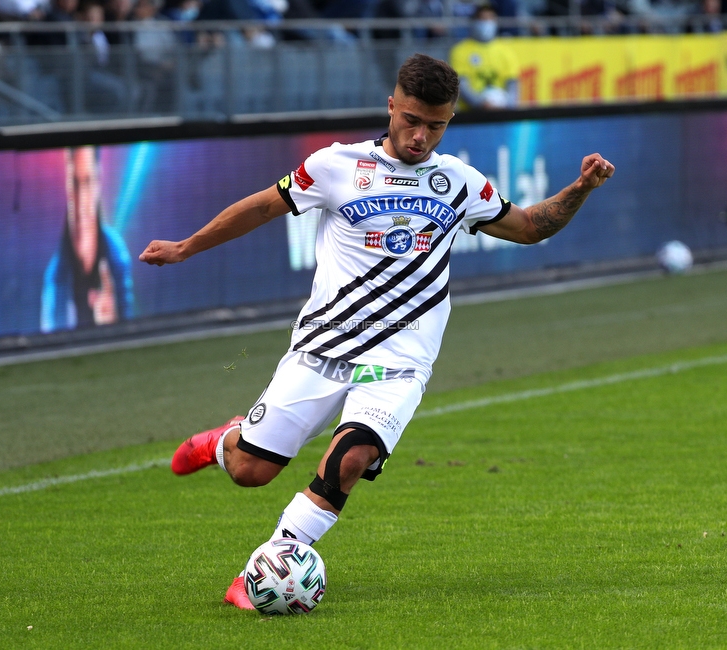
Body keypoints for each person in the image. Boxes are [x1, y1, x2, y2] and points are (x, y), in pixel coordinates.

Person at [139, 53, 614, 610]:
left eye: (435, 125)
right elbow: (264, 207)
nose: (420, 135)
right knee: (251, 471)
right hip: (322, 352)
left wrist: (581, 187)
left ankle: (265, 568)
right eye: (411, 119)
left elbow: (531, 228)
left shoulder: (458, 182)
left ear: (450, 119)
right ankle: (226, 441)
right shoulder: (335, 166)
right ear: (391, 107)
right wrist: (187, 247)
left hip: (398, 365)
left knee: (350, 457)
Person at [42, 146, 135, 332]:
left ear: (98, 184)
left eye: (87, 183)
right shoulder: (56, 275)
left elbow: (129, 326)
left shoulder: (116, 253)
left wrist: (110, 319)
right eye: (75, 185)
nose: (82, 202)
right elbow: (53, 339)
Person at [449, 5, 519, 110]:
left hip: (501, 111)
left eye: (491, 19)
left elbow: (512, 84)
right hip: (471, 114)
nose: (487, 23)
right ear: (475, 22)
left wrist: (507, 107)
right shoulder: (460, 50)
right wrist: (480, 104)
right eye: (483, 19)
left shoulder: (505, 51)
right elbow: (461, 85)